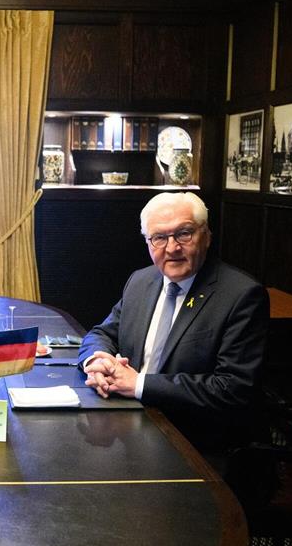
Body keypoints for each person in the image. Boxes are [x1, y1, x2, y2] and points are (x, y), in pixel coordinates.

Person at [77, 192, 269, 458]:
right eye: (159, 238)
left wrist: (139, 384)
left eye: (184, 234)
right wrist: (98, 363)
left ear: (207, 236)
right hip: (129, 426)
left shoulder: (242, 295)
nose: (172, 248)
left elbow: (233, 389)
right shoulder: (140, 282)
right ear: (148, 242)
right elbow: (101, 333)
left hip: (199, 444)